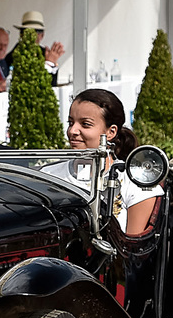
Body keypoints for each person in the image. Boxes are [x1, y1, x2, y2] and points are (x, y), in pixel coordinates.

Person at [67, 88, 160, 235]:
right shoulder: (49, 175)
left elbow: (132, 250)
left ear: (111, 132)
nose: (72, 131)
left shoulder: (135, 184)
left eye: (85, 124)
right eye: (71, 122)